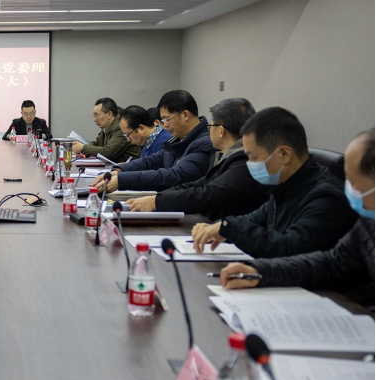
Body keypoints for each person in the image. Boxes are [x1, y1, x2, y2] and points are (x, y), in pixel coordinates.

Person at [219, 128, 375, 307]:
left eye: (354, 183)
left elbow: (290, 247)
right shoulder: (367, 223)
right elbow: (332, 263)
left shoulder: (327, 197)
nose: (350, 190)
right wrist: (260, 272)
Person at [191, 107, 357, 258]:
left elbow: (289, 249)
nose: (249, 164)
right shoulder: (286, 186)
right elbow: (252, 219)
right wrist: (218, 227)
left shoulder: (326, 198)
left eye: (253, 157)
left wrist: (229, 228)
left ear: (284, 154)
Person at [126, 98, 270, 220]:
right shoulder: (227, 156)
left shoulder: (244, 161)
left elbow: (207, 194)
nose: (209, 130)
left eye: (211, 126)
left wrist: (157, 201)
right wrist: (157, 199)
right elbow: (199, 184)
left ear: (221, 131)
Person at [92, 90, 215, 193]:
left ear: (185, 115)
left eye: (167, 119)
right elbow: (152, 161)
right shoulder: (178, 139)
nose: (165, 125)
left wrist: (122, 180)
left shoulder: (204, 143)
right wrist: (120, 170)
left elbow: (174, 176)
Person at [72, 97, 140, 163]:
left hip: (130, 168)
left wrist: (83, 148)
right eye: (94, 116)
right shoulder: (107, 127)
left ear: (109, 114)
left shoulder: (121, 127)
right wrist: (79, 146)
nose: (95, 119)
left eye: (97, 115)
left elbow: (108, 152)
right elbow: (96, 143)